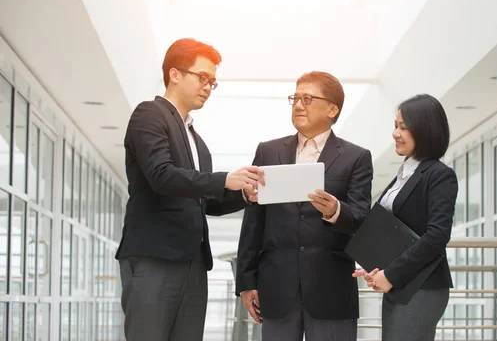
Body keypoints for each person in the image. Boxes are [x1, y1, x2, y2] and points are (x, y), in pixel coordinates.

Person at [115, 38, 265, 341]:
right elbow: (161, 176)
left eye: (213, 82)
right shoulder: (149, 114)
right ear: (175, 74)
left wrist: (244, 195)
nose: (208, 87)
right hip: (154, 258)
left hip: (193, 263)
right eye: (202, 78)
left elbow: (203, 202)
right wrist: (224, 179)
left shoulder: (197, 141)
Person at [235, 71, 373, 341]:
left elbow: (361, 218)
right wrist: (246, 281)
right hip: (276, 287)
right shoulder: (268, 151)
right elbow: (254, 221)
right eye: (295, 98)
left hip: (331, 287)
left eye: (308, 98)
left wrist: (335, 211)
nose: (298, 105)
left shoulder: (356, 157)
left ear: (333, 108)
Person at [353, 93, 457, 341]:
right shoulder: (405, 172)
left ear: (425, 130)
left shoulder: (440, 175)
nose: (395, 134)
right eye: (395, 126)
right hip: (400, 286)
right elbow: (395, 230)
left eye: (404, 127)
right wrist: (379, 269)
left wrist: (390, 274)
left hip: (422, 287)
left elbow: (437, 236)